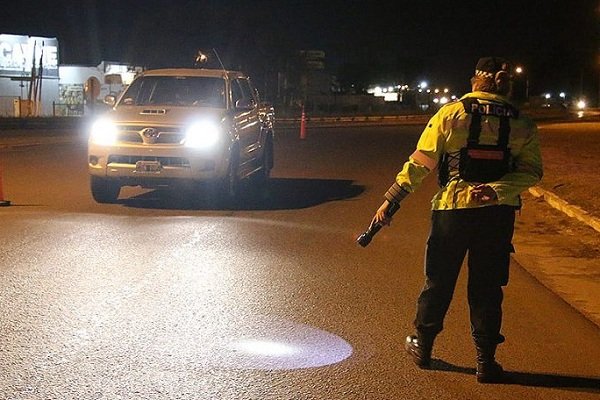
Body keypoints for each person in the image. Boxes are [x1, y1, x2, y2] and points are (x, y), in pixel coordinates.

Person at [370, 57, 543, 383]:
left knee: (439, 281)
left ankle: (423, 346)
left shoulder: (450, 114)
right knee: (488, 286)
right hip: (497, 215)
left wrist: (390, 202)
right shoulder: (523, 123)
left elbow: (420, 163)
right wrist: (496, 190)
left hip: (451, 212)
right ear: (505, 85)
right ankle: (485, 362)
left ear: (475, 81)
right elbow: (532, 172)